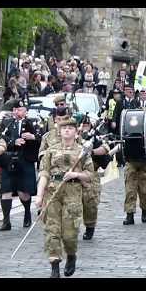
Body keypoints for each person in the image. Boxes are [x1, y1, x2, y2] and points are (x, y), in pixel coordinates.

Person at [36, 119, 94, 278]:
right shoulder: (51, 151)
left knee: (70, 233)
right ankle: (54, 266)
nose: (67, 131)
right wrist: (40, 196)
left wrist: (75, 174)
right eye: (64, 128)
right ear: (59, 132)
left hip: (73, 192)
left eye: (71, 128)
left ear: (76, 132)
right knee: (52, 230)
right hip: (53, 192)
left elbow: (90, 175)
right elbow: (44, 174)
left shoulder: (83, 152)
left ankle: (71, 255)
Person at [0, 99, 41, 231]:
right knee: (6, 190)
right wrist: (13, 142)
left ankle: (27, 213)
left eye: (21, 110)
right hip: (8, 159)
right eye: (15, 110)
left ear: (25, 111)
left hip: (25, 160)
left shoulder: (33, 123)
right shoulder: (6, 123)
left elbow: (42, 139)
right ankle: (6, 221)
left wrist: (33, 137)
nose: (17, 112)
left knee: (24, 192)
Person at [78, 115, 111, 239]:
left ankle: (90, 227)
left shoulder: (95, 137)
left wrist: (92, 151)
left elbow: (105, 148)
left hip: (91, 174)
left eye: (87, 125)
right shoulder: (73, 138)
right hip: (75, 175)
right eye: (82, 125)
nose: (84, 127)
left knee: (90, 203)